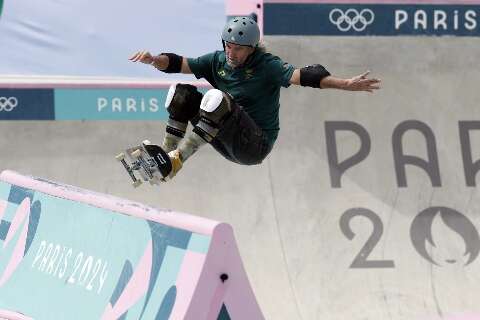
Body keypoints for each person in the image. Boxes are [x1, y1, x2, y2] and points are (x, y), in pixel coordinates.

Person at [129, 16, 380, 181]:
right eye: (228, 45)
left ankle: (176, 161)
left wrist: (345, 83)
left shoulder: (267, 65)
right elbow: (179, 63)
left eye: (237, 49)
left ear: (252, 48)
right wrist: (154, 59)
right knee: (181, 94)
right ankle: (163, 159)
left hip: (255, 145)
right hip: (223, 136)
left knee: (217, 99)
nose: (231, 52)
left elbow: (303, 76)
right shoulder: (217, 60)